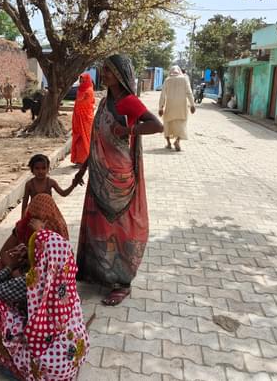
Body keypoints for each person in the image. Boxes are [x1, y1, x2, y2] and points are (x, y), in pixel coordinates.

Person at [74, 54, 163, 306]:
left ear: (121, 75)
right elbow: (96, 138)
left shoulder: (128, 102)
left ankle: (121, 282)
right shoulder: (104, 102)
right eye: (103, 70)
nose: (104, 75)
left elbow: (157, 126)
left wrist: (128, 130)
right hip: (98, 173)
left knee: (121, 228)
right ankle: (98, 272)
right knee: (100, 226)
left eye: (109, 71)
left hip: (120, 178)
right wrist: (83, 169)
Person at [0, 226, 90, 380]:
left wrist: (11, 266)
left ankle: (13, 367)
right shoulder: (65, 276)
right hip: (70, 360)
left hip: (46, 370)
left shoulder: (29, 283)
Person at [0, 193, 69, 274]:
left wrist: (40, 233)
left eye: (41, 217)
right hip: (28, 265)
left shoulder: (58, 229)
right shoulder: (24, 225)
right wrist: (12, 268)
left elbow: (55, 259)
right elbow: (3, 251)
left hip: (48, 270)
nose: (35, 220)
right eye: (34, 215)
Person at [158, 65, 196, 152]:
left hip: (170, 106)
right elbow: (189, 92)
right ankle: (177, 141)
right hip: (181, 106)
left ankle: (168, 143)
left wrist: (161, 107)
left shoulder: (167, 80)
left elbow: (162, 95)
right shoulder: (184, 79)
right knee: (181, 124)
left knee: (167, 123)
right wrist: (192, 105)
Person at [70, 73, 95, 167]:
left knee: (84, 139)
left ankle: (83, 161)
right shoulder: (81, 90)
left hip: (85, 119)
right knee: (78, 138)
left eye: (83, 80)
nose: (81, 82)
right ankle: (79, 160)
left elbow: (81, 101)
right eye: (80, 81)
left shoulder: (88, 91)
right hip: (78, 117)